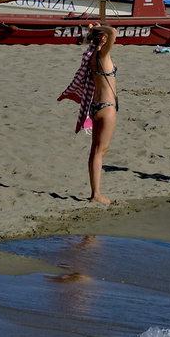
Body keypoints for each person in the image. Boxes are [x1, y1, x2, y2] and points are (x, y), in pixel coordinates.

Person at [60, 25, 117, 204]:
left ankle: (95, 192)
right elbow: (113, 32)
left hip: (94, 106)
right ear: (103, 39)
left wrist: (95, 29)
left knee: (95, 151)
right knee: (101, 152)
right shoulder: (103, 54)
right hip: (107, 108)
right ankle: (96, 195)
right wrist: (103, 28)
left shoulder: (90, 55)